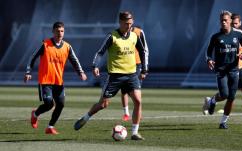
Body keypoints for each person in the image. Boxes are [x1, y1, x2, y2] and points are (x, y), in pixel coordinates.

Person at [73, 11, 148, 140]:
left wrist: (144, 69)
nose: (129, 26)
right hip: (115, 76)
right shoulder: (112, 36)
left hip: (131, 75)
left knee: (138, 101)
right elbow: (100, 52)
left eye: (130, 23)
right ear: (120, 22)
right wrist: (95, 65)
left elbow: (142, 51)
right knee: (103, 104)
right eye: (126, 24)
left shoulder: (135, 36)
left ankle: (135, 132)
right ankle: (86, 117)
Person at [24, 21, 87, 134]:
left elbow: (74, 60)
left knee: (61, 104)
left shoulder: (67, 47)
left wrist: (81, 72)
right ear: (53, 31)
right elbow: (32, 57)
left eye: (62, 31)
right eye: (57, 31)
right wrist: (28, 72)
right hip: (45, 80)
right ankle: (35, 114)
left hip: (58, 81)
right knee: (49, 104)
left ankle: (50, 127)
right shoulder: (45, 44)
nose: (60, 33)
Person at [203, 13, 242, 126]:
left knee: (238, 94)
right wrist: (209, 60)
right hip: (221, 70)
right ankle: (212, 101)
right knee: (225, 94)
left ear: (236, 23)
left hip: (237, 68)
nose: (224, 22)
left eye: (226, 20)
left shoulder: (239, 34)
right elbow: (208, 51)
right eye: (222, 20)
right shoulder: (216, 37)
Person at [121, 26, 149, 121]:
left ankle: (138, 113)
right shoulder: (120, 32)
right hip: (124, 64)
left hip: (137, 64)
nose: (127, 25)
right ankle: (126, 113)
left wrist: (144, 69)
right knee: (124, 89)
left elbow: (145, 50)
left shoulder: (139, 32)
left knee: (137, 90)